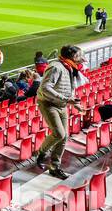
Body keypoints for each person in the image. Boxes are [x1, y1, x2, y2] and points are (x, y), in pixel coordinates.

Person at [33, 45, 91, 179]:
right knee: (59, 133)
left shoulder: (69, 67)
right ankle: (41, 153)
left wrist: (76, 105)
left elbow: (69, 89)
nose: (81, 57)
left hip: (62, 104)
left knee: (64, 137)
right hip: (48, 104)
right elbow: (45, 88)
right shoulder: (56, 67)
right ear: (72, 56)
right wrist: (66, 99)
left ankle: (55, 166)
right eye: (79, 55)